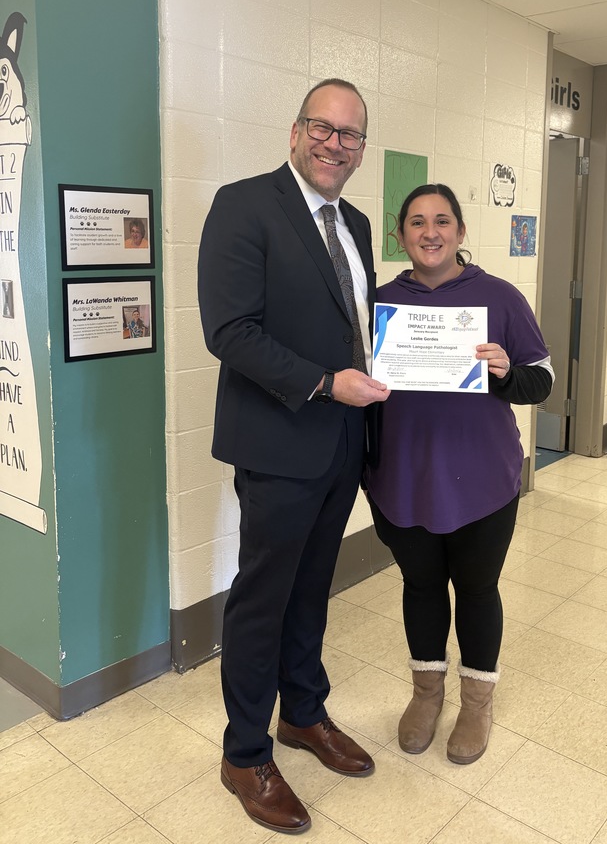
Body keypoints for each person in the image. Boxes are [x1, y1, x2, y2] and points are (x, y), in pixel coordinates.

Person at [198, 79, 390, 834]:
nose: (334, 143)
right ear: (295, 131)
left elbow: (358, 323)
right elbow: (230, 330)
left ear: (361, 149)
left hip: (344, 442)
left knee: (315, 589)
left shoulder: (360, 224)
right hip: (279, 442)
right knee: (262, 600)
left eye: (350, 135)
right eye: (323, 127)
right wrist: (321, 383)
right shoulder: (244, 205)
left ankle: (302, 715)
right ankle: (244, 753)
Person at [364, 184, 553, 765]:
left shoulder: (499, 297)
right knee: (419, 588)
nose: (430, 232)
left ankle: (476, 702)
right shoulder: (378, 304)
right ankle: (426, 694)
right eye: (417, 222)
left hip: (484, 480)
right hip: (402, 477)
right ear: (401, 237)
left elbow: (540, 380)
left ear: (461, 232)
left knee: (476, 590)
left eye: (442, 220)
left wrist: (503, 373)